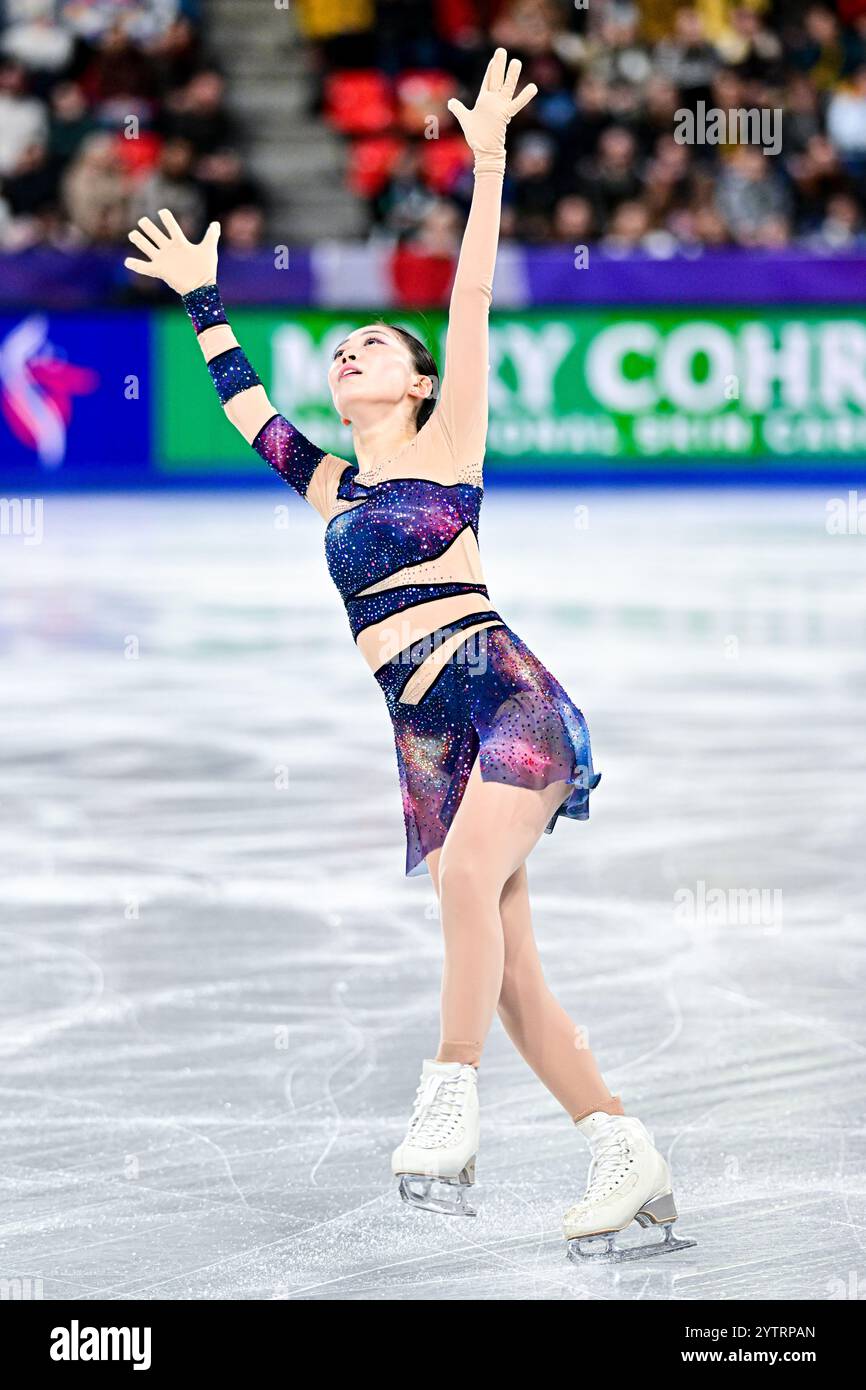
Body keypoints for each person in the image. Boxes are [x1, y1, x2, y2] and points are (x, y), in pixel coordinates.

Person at [123, 48, 695, 1263]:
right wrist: (201, 300)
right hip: (425, 733)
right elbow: (245, 410)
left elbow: (472, 297)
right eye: (341, 352)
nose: (349, 356)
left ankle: (447, 1097)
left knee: (458, 893)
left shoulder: (450, 435)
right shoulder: (330, 483)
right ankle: (618, 1142)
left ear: (417, 379)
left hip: (504, 697)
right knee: (508, 968)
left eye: (373, 347)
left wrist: (484, 163)